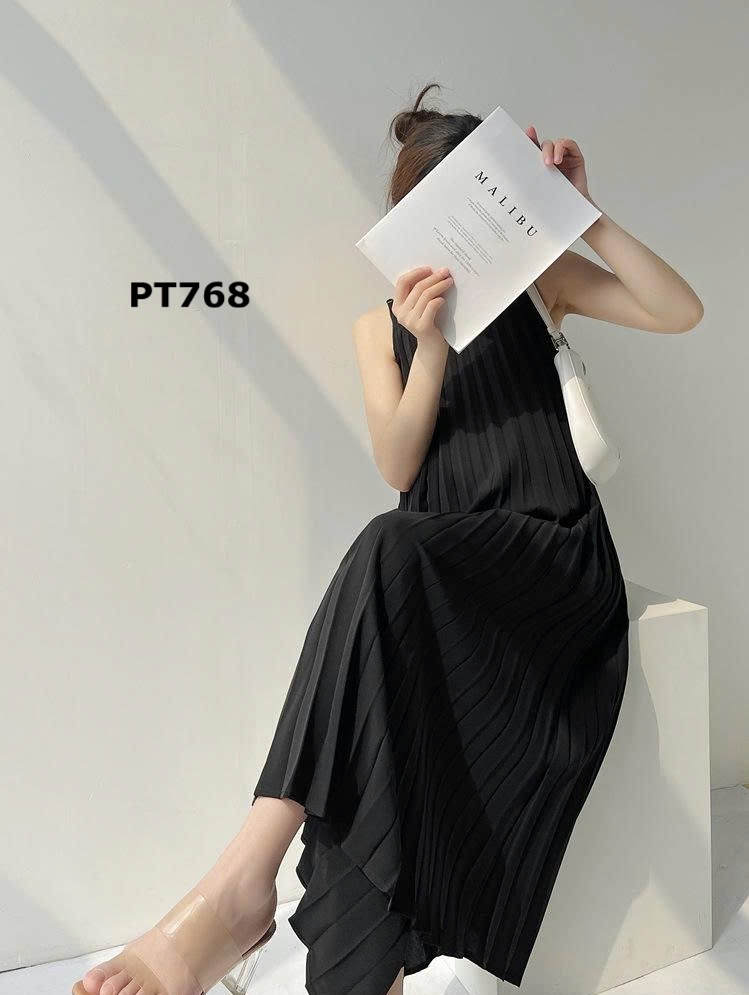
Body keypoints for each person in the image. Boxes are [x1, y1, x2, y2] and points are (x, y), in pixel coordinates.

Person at [73, 81, 704, 995]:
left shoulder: (540, 285)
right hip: (437, 574)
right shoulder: (381, 328)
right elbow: (400, 461)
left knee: (383, 546)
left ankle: (239, 885)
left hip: (547, 561)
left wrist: (583, 214)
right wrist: (430, 346)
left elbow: (678, 310)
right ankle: (354, 971)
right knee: (370, 716)